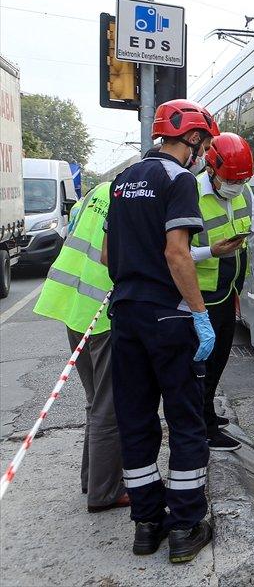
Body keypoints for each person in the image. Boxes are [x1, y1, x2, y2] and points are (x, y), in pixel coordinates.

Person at [102, 99, 219, 563]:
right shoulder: (179, 179)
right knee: (186, 420)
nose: (204, 154)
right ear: (190, 139)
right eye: (204, 144)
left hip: (125, 314)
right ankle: (188, 526)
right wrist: (200, 313)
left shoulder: (122, 180)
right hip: (167, 317)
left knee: (136, 419)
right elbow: (177, 254)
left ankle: (147, 525)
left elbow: (109, 256)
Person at [32, 180, 127, 513]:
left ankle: (93, 478)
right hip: (102, 311)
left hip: (73, 302)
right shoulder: (133, 194)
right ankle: (104, 491)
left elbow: (74, 228)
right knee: (109, 405)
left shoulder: (100, 190)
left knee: (94, 401)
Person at [192, 133, 254, 451]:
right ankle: (201, 426)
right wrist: (210, 253)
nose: (236, 186)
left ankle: (207, 415)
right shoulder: (189, 193)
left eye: (242, 180)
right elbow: (174, 252)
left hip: (229, 291)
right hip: (198, 297)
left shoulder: (243, 192)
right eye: (231, 179)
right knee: (201, 363)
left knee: (217, 361)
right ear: (212, 168)